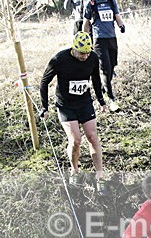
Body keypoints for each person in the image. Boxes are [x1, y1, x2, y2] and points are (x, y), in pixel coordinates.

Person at [39, 31, 109, 195]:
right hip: (66, 105)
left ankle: (100, 177)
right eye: (81, 53)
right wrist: (45, 107)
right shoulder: (59, 59)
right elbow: (44, 82)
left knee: (92, 137)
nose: (85, 56)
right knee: (76, 140)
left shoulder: (92, 58)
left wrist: (101, 100)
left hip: (84, 103)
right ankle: (74, 171)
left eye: (87, 52)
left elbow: (96, 80)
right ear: (74, 48)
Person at [83, 0, 125, 112]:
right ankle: (111, 99)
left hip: (111, 38)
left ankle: (101, 89)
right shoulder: (91, 3)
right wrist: (85, 39)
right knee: (105, 69)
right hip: (99, 40)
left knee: (112, 67)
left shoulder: (111, 0)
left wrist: (121, 25)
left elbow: (116, 15)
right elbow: (86, 23)